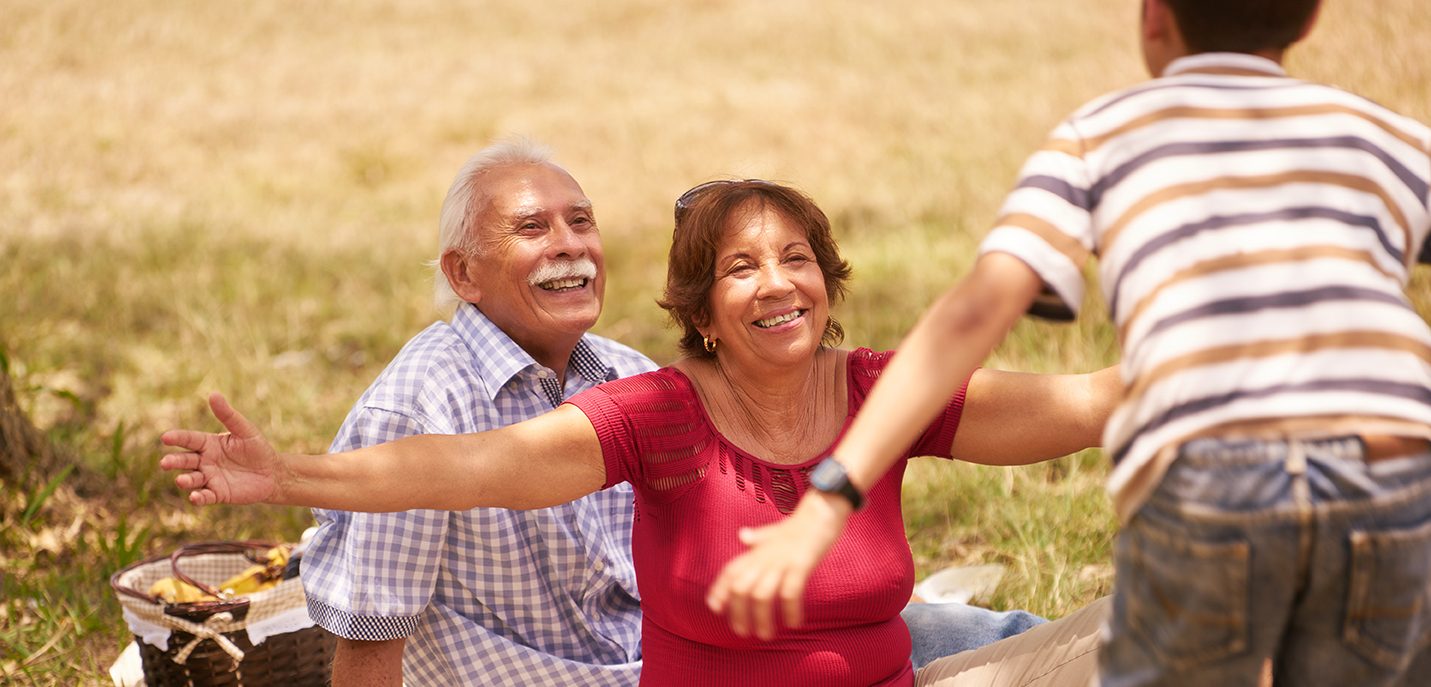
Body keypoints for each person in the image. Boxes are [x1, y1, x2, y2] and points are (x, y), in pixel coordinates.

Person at [711, 1, 1431, 685]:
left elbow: (974, 314)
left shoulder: (1105, 134)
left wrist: (832, 495)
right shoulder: (1381, 135)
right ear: (1311, 17)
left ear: (1154, 15)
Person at [160, 179, 1120, 686]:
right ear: (701, 313)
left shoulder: (879, 390)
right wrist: (289, 472)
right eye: (741, 268)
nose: (777, 284)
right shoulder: (653, 410)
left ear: (827, 282)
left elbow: (1083, 403)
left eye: (796, 258)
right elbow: (472, 466)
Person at [301, 140, 656, 686]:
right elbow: (370, 639)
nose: (569, 245)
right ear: (464, 274)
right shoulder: (421, 405)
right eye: (532, 228)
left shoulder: (632, 376)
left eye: (581, 221)